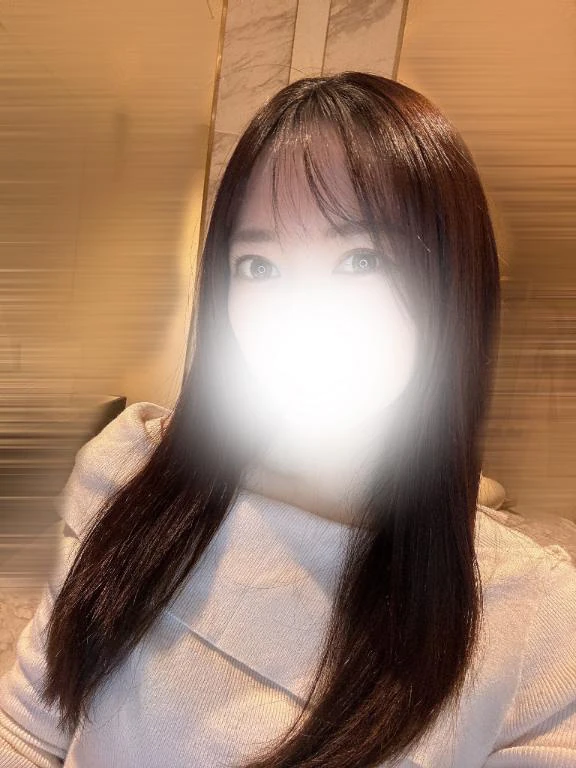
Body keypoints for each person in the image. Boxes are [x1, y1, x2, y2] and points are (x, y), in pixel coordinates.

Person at [0, 71, 575, 768]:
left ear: (454, 286)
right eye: (260, 266)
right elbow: (27, 731)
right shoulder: (130, 475)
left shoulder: (533, 625)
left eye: (361, 259)